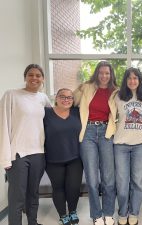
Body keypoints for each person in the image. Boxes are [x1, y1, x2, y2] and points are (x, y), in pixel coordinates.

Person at [0, 64, 51, 225]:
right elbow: (3, 126)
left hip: (38, 154)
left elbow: (52, 122)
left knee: (33, 194)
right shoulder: (11, 95)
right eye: (31, 74)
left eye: (38, 75)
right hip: (18, 155)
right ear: (25, 77)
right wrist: (5, 159)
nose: (34, 78)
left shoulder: (43, 98)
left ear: (43, 79)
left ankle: (33, 222)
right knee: (17, 197)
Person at [73, 61, 118, 225]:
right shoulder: (86, 87)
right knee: (92, 179)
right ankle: (96, 215)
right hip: (88, 134)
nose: (104, 76)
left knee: (108, 178)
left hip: (107, 133)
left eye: (107, 73)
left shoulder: (116, 91)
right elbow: (70, 100)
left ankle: (108, 212)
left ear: (111, 74)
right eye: (101, 73)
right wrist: (78, 88)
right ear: (96, 73)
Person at [113, 67, 142, 225]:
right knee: (121, 182)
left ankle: (134, 212)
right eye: (129, 78)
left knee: (137, 181)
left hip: (139, 145)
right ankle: (122, 211)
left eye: (135, 78)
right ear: (125, 81)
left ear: (139, 81)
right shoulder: (117, 97)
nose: (132, 81)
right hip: (120, 145)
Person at [44, 88, 82, 225]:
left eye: (69, 97)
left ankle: (72, 211)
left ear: (73, 100)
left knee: (74, 187)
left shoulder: (77, 112)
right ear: (56, 98)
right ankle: (62, 214)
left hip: (75, 158)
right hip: (53, 159)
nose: (66, 100)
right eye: (62, 97)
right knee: (58, 187)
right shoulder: (46, 113)